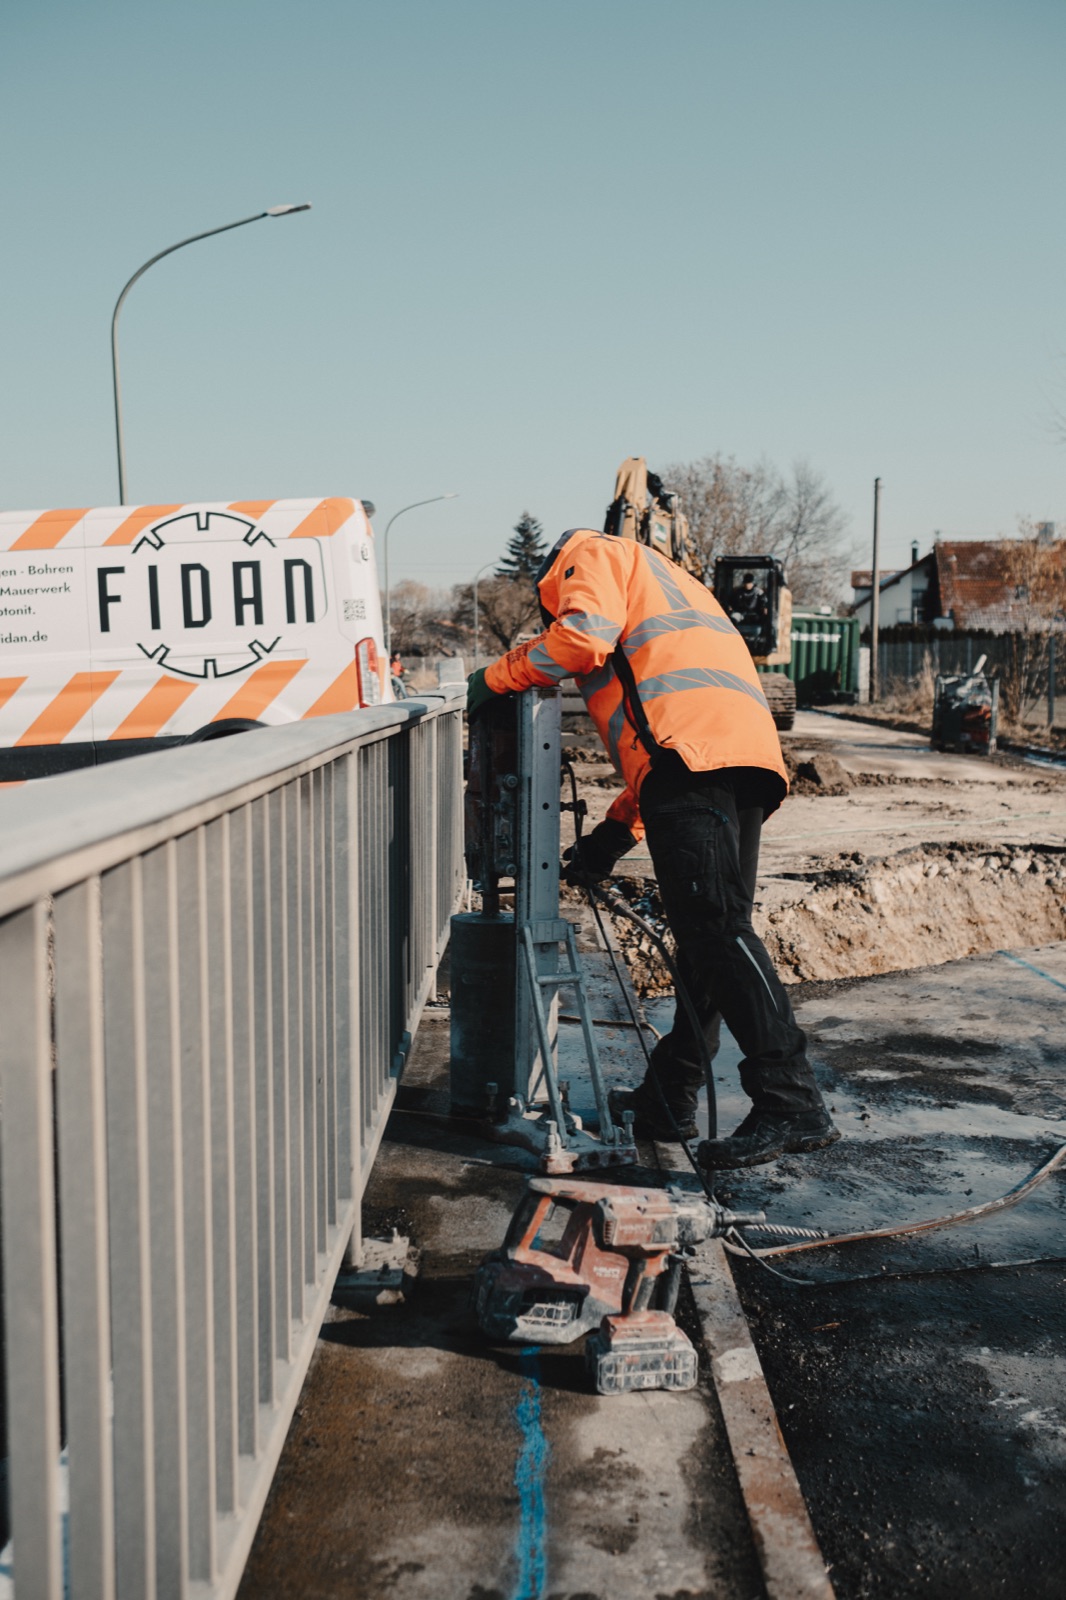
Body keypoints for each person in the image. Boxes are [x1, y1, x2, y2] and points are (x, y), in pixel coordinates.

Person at [466, 527, 838, 1171]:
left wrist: (497, 677)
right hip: (732, 759)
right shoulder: (670, 580)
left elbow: (582, 638)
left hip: (691, 763)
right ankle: (670, 1096)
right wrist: (612, 836)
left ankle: (791, 1100)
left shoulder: (593, 551)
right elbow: (672, 724)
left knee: (717, 932)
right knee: (708, 942)